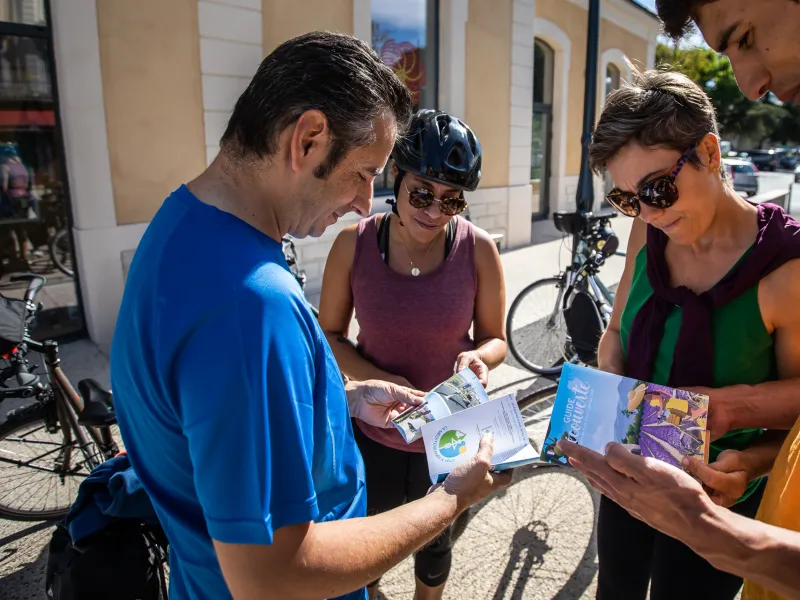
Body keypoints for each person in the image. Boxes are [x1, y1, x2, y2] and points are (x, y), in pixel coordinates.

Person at [110, 32, 511, 600]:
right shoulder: (252, 307)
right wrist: (450, 499)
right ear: (308, 140)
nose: (364, 202)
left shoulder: (180, 224)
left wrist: (342, 398)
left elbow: (220, 422)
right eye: (364, 172)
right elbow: (273, 576)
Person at [588, 64, 800, 600]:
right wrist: (606, 396)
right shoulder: (647, 231)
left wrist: (746, 464)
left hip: (717, 494)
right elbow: (615, 333)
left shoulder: (787, 270)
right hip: (630, 468)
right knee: (615, 587)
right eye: (627, 199)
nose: (648, 213)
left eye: (658, 189)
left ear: (709, 152)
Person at [318, 108, 507, 600]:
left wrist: (480, 358)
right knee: (366, 544)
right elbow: (330, 335)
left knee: (436, 542)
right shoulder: (353, 244)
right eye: (421, 193)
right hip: (374, 429)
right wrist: (377, 378)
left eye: (452, 200)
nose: (434, 211)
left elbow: (496, 338)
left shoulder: (479, 249)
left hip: (448, 431)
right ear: (396, 179)